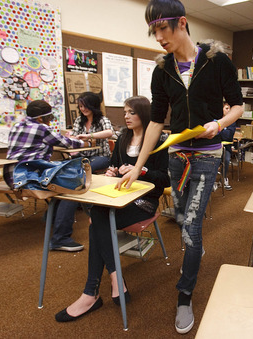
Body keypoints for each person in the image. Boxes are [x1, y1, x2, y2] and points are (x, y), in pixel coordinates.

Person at [116, 0, 243, 333]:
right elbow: (157, 121)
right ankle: (193, 254)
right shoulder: (162, 70)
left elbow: (238, 107)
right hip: (177, 156)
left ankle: (184, 295)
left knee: (191, 228)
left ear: (182, 23)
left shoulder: (217, 62)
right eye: (153, 30)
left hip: (207, 155)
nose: (158, 37)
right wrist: (136, 165)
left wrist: (219, 123)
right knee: (182, 216)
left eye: (162, 28)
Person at [55, 96, 170, 322]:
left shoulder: (158, 140)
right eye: (125, 112)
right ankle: (113, 279)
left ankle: (92, 292)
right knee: (98, 215)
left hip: (144, 202)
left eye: (131, 113)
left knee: (97, 220)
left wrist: (142, 170)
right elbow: (115, 167)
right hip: (119, 197)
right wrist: (112, 172)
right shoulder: (123, 137)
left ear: (143, 115)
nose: (125, 116)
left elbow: (165, 180)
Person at [5, 100, 91, 250]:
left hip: (11, 175)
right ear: (40, 118)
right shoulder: (41, 128)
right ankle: (60, 238)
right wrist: (87, 143)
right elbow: (67, 143)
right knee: (73, 188)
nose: (50, 120)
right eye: (50, 117)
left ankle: (50, 217)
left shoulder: (17, 125)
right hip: (27, 176)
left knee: (59, 179)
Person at [50, 92, 114, 251]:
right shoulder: (79, 120)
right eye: (80, 106)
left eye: (85, 105)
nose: (82, 109)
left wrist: (88, 135)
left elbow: (109, 133)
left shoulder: (102, 120)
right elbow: (75, 140)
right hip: (83, 156)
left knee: (75, 180)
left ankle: (58, 230)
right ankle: (54, 221)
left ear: (93, 105)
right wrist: (73, 137)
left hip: (101, 156)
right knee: (65, 176)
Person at [220, 102, 236, 190]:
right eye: (226, 108)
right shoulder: (216, 120)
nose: (229, 110)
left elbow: (228, 136)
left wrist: (219, 129)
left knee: (226, 160)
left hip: (227, 148)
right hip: (216, 147)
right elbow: (214, 134)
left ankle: (224, 178)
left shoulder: (232, 122)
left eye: (230, 109)